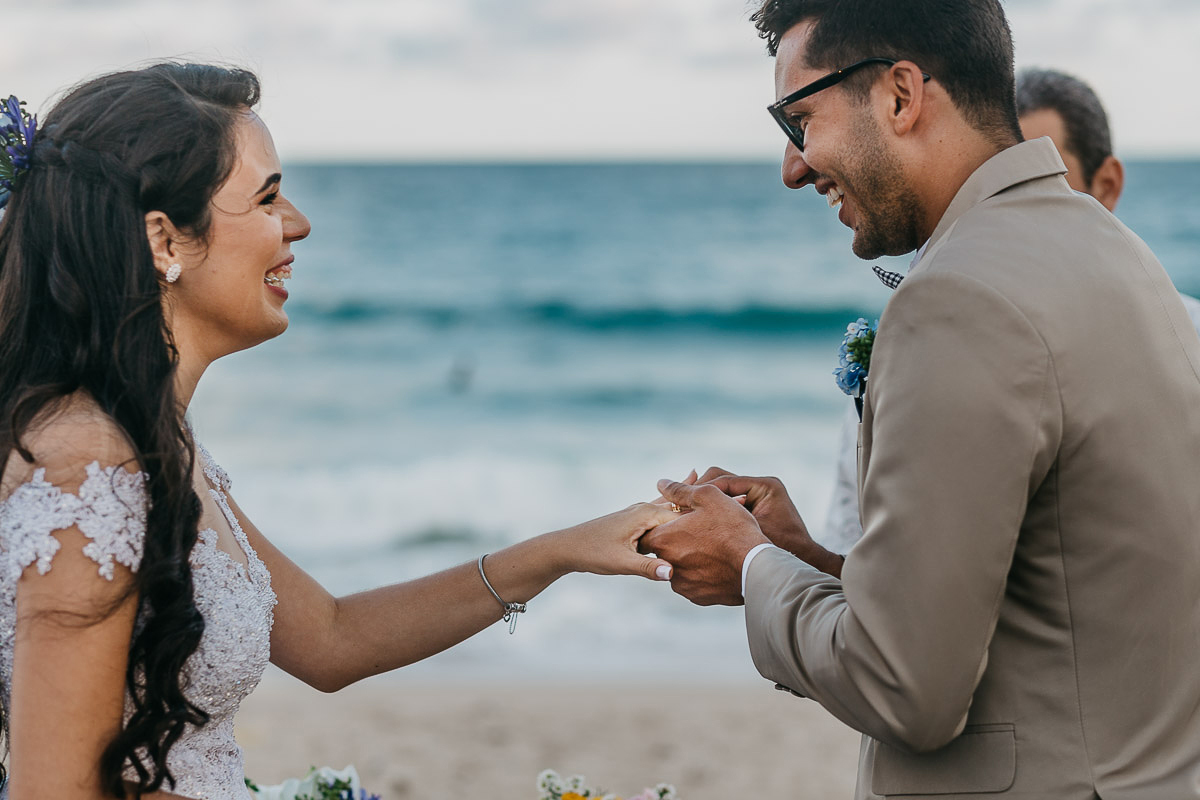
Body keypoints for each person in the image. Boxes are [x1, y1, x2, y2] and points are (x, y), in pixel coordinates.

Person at [0, 64, 677, 800]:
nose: (299, 222)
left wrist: (561, 551)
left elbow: (329, 638)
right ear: (165, 239)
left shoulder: (153, 440)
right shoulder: (86, 464)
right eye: (266, 198)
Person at [641, 1, 1200, 797]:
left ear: (900, 95)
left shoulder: (961, 297)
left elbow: (905, 689)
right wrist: (804, 560)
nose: (793, 167)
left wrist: (750, 563)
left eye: (800, 118)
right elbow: (1048, 607)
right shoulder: (1117, 253)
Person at [823, 66, 1200, 554]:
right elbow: (862, 568)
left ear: (1106, 185)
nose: (1011, 207)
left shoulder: (1185, 339)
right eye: (991, 185)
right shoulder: (907, 359)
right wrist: (775, 555)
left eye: (1043, 179)